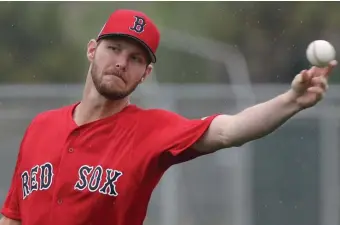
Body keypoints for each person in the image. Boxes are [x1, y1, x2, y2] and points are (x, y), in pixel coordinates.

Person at [0, 8, 337, 225]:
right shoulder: (41, 126)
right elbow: (13, 216)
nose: (121, 62)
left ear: (145, 74)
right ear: (92, 50)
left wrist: (292, 100)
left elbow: (229, 131)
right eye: (113, 48)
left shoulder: (151, 129)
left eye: (135, 58)